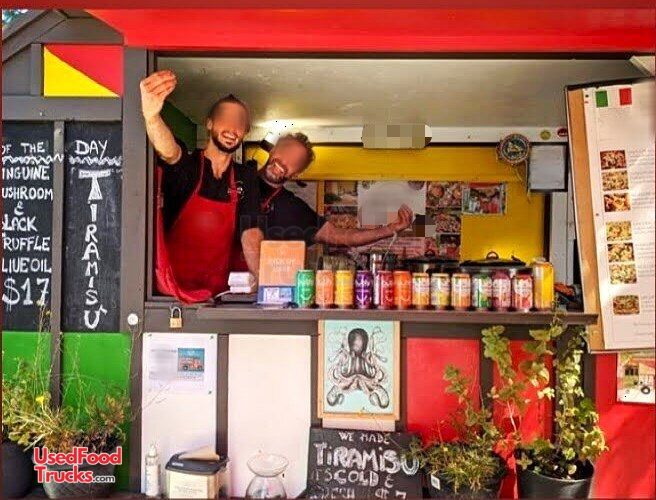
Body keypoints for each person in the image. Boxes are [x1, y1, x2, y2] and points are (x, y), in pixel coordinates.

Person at [140, 70, 259, 302]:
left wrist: (262, 282)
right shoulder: (190, 164)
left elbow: (251, 232)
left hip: (217, 295)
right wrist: (151, 117)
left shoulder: (245, 177)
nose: (232, 128)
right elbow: (169, 151)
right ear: (209, 123)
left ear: (245, 132)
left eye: (239, 123)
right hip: (172, 294)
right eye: (225, 119)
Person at [241, 132, 413, 275]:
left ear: (297, 174)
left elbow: (342, 236)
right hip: (224, 287)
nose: (284, 161)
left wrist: (390, 229)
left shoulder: (294, 209)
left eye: (295, 161)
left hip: (260, 295)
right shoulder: (236, 180)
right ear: (273, 149)